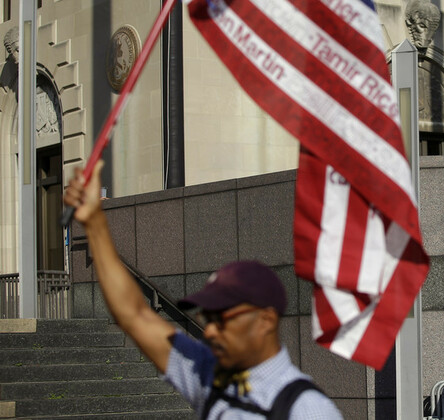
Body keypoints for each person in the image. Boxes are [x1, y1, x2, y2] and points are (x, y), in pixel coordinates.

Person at [63, 162, 342, 419]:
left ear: (265, 321)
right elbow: (135, 315)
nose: (209, 331)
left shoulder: (307, 409)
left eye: (222, 319)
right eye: (207, 318)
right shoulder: (207, 373)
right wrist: (94, 223)